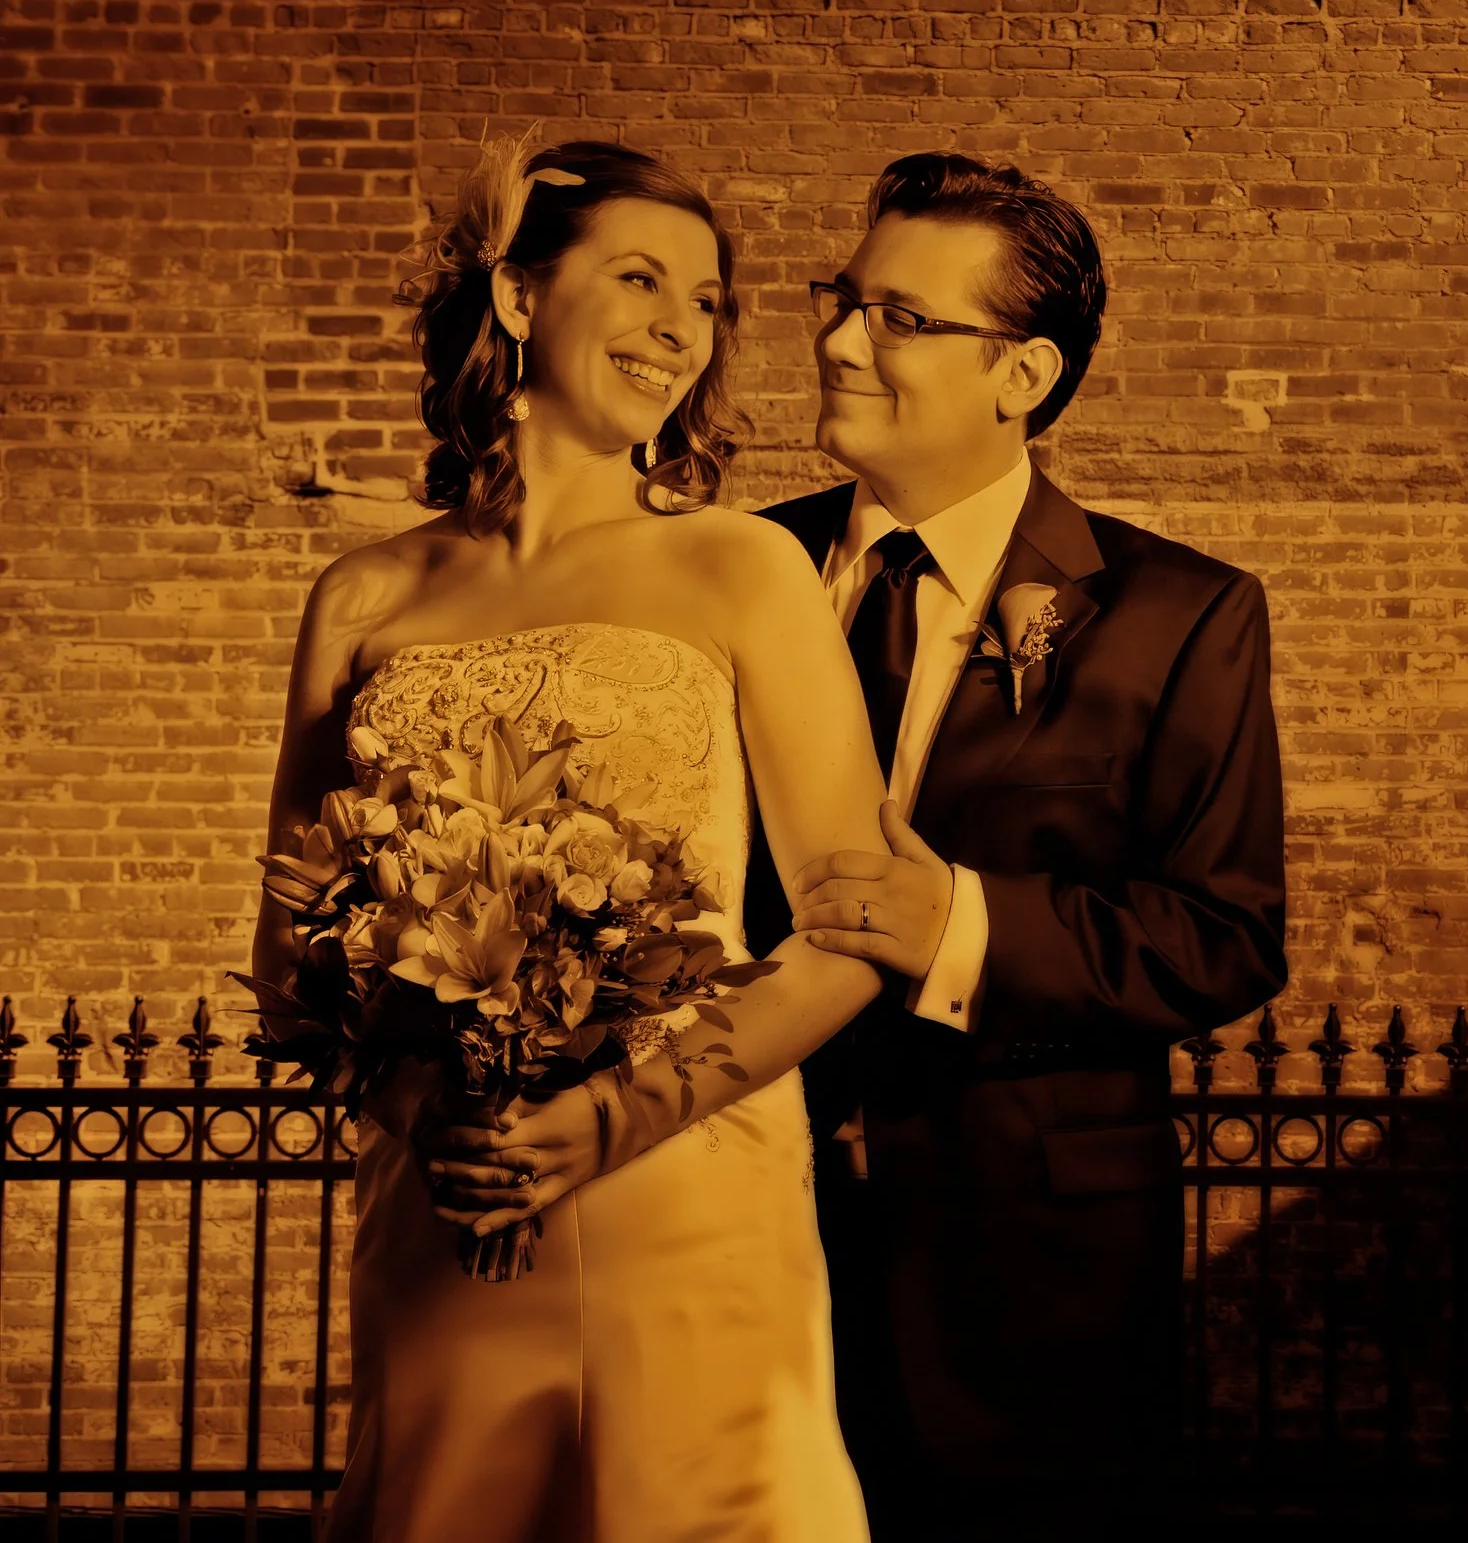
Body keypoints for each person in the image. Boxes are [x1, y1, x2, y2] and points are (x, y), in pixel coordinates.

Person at [444, 152, 1290, 1540]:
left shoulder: (1176, 615)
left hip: (1026, 1276)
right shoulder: (716, 562)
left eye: (900, 316)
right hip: (724, 1235)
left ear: (1021, 376)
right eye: (843, 298)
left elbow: (1225, 930)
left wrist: (956, 921)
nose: (837, 338)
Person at [259, 134, 888, 1542]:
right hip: (452, 1200)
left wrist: (601, 1120)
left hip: (685, 1173)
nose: (684, 327)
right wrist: (443, 1118)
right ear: (519, 297)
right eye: (643, 278)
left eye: (710, 300)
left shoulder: (739, 564)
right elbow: (292, 956)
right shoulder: (363, 594)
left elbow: (855, 931)